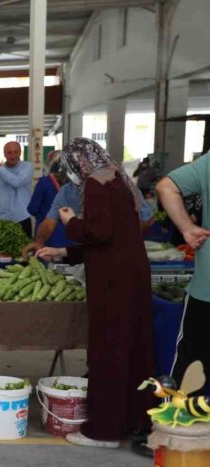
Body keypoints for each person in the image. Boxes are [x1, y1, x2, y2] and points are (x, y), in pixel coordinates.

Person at [36, 137, 153, 448]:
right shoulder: (117, 180)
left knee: (108, 354)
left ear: (79, 163)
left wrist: (70, 221)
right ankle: (133, 421)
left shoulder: (97, 185)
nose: (71, 173)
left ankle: (104, 431)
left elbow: (98, 233)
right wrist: (63, 252)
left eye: (70, 166)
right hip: (130, 278)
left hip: (112, 285)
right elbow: (110, 240)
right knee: (131, 352)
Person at [154, 152, 210, 426]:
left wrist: (187, 228)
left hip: (207, 291)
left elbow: (166, 186)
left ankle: (173, 433)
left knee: (190, 367)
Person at [22, 181, 156, 257]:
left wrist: (123, 237)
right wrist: (45, 245)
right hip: (94, 256)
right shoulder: (68, 190)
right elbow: (49, 223)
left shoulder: (123, 187)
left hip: (123, 259)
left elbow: (147, 220)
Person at [0, 141, 35, 237]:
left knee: (23, 250)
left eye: (15, 152)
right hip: (0, 220)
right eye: (9, 153)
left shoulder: (28, 167)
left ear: (20, 152)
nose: (13, 156)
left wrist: (0, 169)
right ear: (4, 154)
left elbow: (17, 182)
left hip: (21, 218)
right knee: (1, 251)